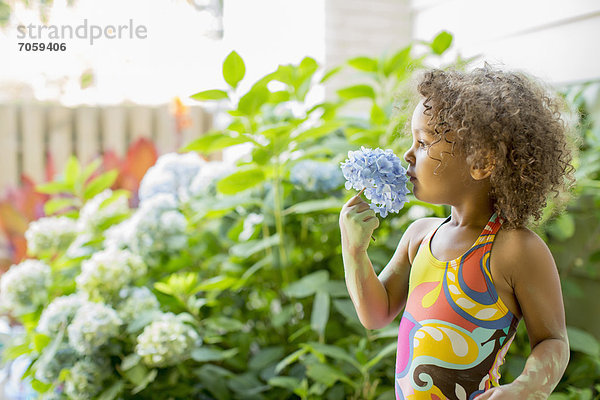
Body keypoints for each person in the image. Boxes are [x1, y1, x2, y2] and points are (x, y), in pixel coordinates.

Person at [339, 66, 575, 399]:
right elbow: (376, 314)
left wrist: (526, 388)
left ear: (481, 161)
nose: (407, 154)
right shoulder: (419, 237)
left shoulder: (515, 250)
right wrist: (354, 251)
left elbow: (553, 341)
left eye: (423, 142)